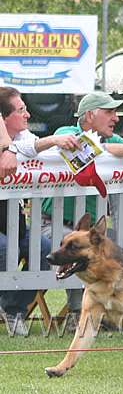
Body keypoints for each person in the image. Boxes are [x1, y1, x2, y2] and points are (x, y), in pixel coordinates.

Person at [41, 92, 123, 329]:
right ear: (89, 115)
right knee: (75, 250)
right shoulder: (65, 133)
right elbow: (98, 148)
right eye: (109, 112)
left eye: (116, 112)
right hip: (54, 225)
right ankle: (76, 315)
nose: (116, 117)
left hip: (91, 233)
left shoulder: (116, 141)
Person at [0, 87, 57, 336]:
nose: (27, 114)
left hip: (16, 222)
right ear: (3, 119)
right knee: (4, 248)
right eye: (20, 110)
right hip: (4, 228)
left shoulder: (24, 138)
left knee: (44, 248)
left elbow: (32, 147)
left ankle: (13, 309)